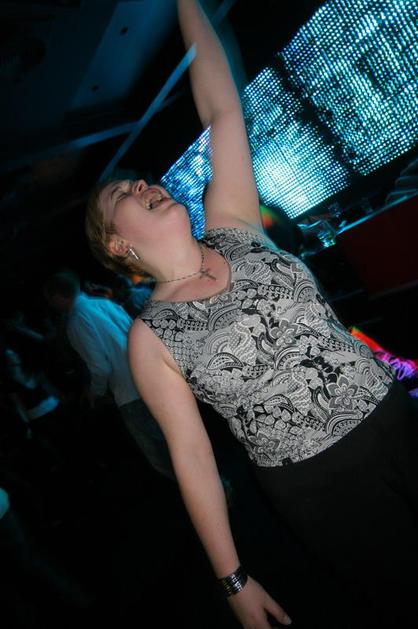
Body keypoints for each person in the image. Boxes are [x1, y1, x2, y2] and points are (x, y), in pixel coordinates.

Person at [84, 1, 418, 627]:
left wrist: (186, 3)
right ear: (117, 245)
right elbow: (192, 457)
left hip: (397, 415)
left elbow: (222, 109)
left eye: (140, 180)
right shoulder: (150, 337)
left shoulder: (232, 223)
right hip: (321, 486)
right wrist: (232, 579)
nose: (142, 185)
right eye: (122, 194)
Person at [43, 271, 173, 481]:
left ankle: (206, 493)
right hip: (152, 379)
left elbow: (100, 366)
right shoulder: (105, 303)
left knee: (162, 456)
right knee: (178, 439)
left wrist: (95, 391)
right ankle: (219, 483)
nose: (51, 306)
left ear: (57, 296)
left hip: (131, 393)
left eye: (50, 300)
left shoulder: (76, 321)